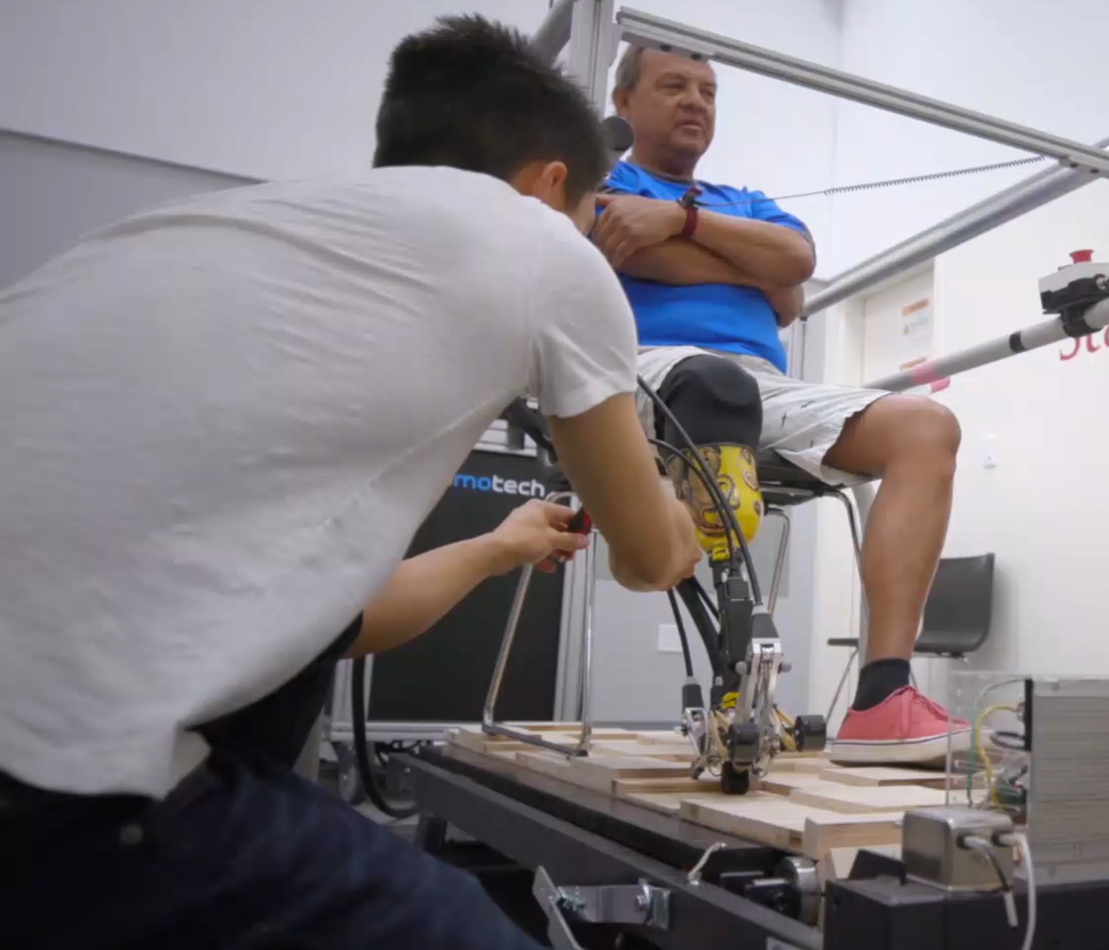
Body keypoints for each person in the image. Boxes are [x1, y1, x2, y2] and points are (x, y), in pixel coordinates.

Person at [0, 16, 700, 949]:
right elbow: (648, 557)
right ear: (550, 184)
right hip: (52, 777)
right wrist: (692, 522)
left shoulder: (224, 236)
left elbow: (337, 622)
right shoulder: (544, 246)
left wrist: (500, 547)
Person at [593, 46, 968, 764]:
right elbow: (637, 251)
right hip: (642, 370)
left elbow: (794, 270)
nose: (695, 101)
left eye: (707, 90)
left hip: (765, 387)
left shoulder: (746, 199)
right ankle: (738, 673)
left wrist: (679, 225)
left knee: (926, 425)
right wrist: (746, 268)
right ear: (624, 101)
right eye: (673, 86)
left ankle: (884, 697)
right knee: (712, 383)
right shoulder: (601, 178)